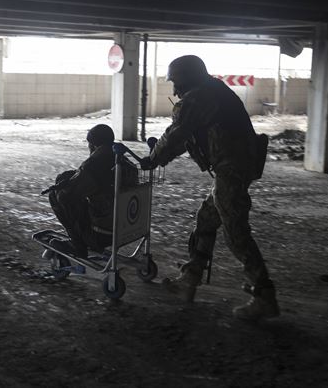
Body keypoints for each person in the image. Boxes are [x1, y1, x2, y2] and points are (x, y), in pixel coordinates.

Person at [140, 55, 279, 320]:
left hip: (231, 169)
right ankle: (189, 280)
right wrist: (159, 155)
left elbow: (177, 134)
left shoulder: (198, 98)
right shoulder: (213, 90)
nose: (175, 89)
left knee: (236, 233)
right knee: (206, 220)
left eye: (176, 82)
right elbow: (185, 136)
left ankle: (264, 295)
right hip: (235, 167)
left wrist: (154, 159)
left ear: (188, 77)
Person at [48, 124, 138, 258]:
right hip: (129, 226)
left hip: (102, 234)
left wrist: (64, 183)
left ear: (94, 145)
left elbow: (67, 197)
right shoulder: (124, 161)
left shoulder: (93, 166)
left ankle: (77, 245)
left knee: (56, 196)